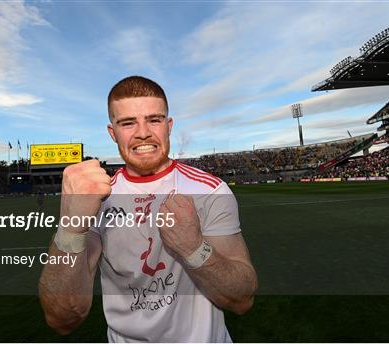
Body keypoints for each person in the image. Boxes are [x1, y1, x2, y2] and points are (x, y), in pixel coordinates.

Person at [39, 76, 257, 342]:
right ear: (112, 132)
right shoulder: (99, 199)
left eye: (154, 120)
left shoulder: (210, 190)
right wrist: (70, 226)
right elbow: (62, 318)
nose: (142, 132)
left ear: (168, 126)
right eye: (128, 123)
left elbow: (242, 299)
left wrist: (194, 248)